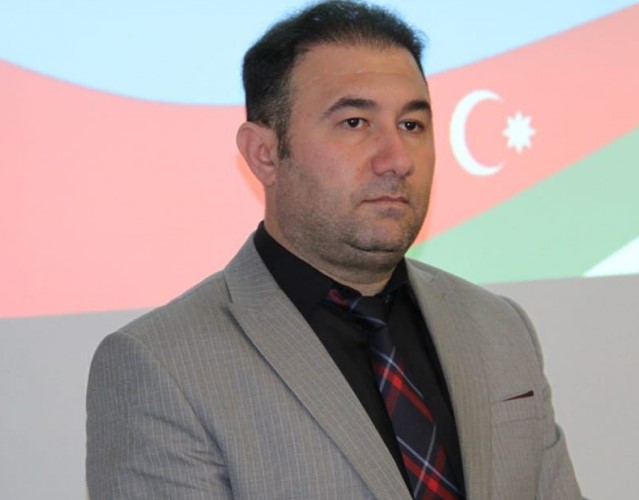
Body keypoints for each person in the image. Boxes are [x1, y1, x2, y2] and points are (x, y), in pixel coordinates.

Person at [86, 1, 583, 498]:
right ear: (264, 154)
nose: (397, 159)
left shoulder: (499, 327)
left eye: (411, 125)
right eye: (354, 123)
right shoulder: (163, 366)